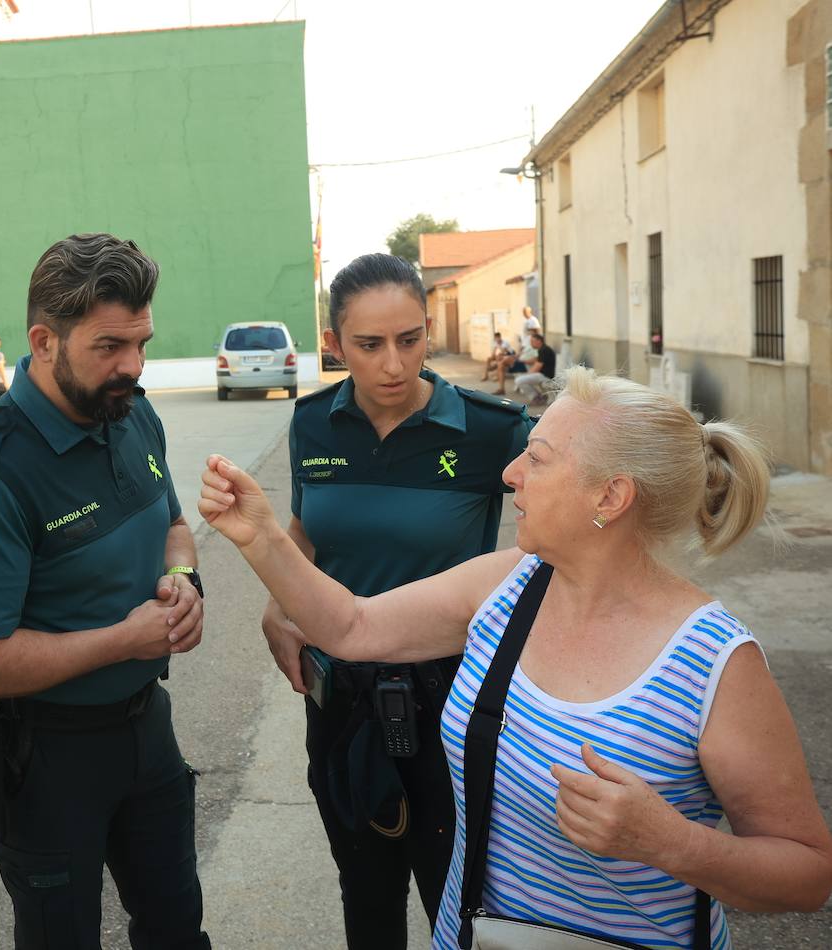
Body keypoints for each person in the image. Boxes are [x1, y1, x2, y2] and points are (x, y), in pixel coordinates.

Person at [200, 367, 832, 949]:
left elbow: (806, 873)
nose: (510, 473)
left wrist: (674, 843)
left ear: (609, 498)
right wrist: (261, 537)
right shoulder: (505, 587)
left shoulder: (714, 660)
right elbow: (352, 627)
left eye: (537, 458)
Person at [0, 233, 210, 950]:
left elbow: (174, 524)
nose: (134, 367)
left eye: (142, 343)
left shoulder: (129, 411)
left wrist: (181, 578)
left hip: (147, 730)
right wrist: (126, 639)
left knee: (176, 928)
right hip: (46, 758)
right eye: (110, 347)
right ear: (43, 340)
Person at [262, 253, 531, 947]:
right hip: (342, 701)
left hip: (454, 700)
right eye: (369, 345)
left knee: (457, 892)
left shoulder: (492, 430)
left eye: (410, 340)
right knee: (366, 888)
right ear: (335, 343)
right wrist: (278, 603)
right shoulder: (314, 424)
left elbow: (556, 538)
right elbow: (305, 535)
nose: (393, 364)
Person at [513, 331, 557, 404]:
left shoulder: (544, 350)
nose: (531, 343)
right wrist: (522, 361)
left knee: (519, 380)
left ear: (539, 341)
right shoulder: (543, 349)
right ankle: (539, 396)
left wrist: (527, 375)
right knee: (521, 379)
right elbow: (536, 360)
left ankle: (536, 397)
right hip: (542, 375)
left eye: (532, 341)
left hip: (545, 376)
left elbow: (538, 366)